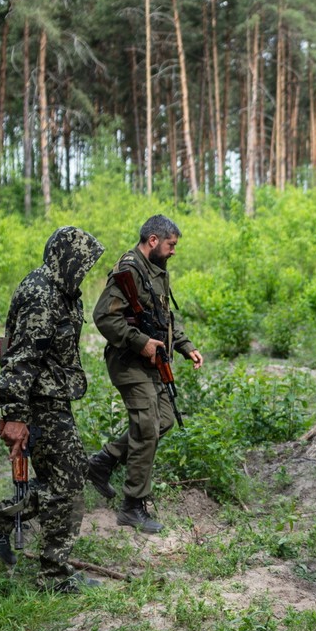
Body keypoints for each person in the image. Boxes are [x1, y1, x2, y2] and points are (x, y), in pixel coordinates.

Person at [0, 226, 106, 594]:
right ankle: (53, 576)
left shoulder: (62, 291)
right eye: (83, 263)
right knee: (67, 483)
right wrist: (15, 416)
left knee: (68, 477)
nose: (86, 271)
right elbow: (21, 358)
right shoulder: (42, 295)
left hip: (51, 397)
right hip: (37, 402)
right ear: (67, 260)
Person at [86, 215, 204, 533]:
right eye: (170, 245)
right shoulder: (130, 269)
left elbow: (163, 316)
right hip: (129, 362)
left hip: (153, 362)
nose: (173, 251)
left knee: (163, 420)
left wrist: (184, 345)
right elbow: (103, 317)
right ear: (153, 240)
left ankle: (102, 462)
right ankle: (132, 505)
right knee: (147, 427)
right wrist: (141, 343)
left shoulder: (156, 270)